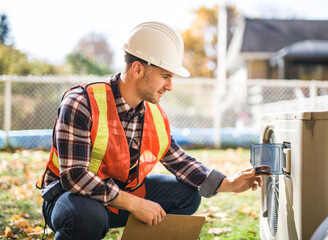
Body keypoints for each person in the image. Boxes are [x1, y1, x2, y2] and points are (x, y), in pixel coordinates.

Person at [36, 21, 262, 240]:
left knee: (187, 196)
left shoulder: (154, 114)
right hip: (72, 199)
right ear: (137, 69)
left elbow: (180, 162)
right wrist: (134, 204)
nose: (170, 86)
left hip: (119, 196)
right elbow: (75, 177)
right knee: (85, 217)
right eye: (165, 76)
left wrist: (227, 184)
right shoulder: (82, 102)